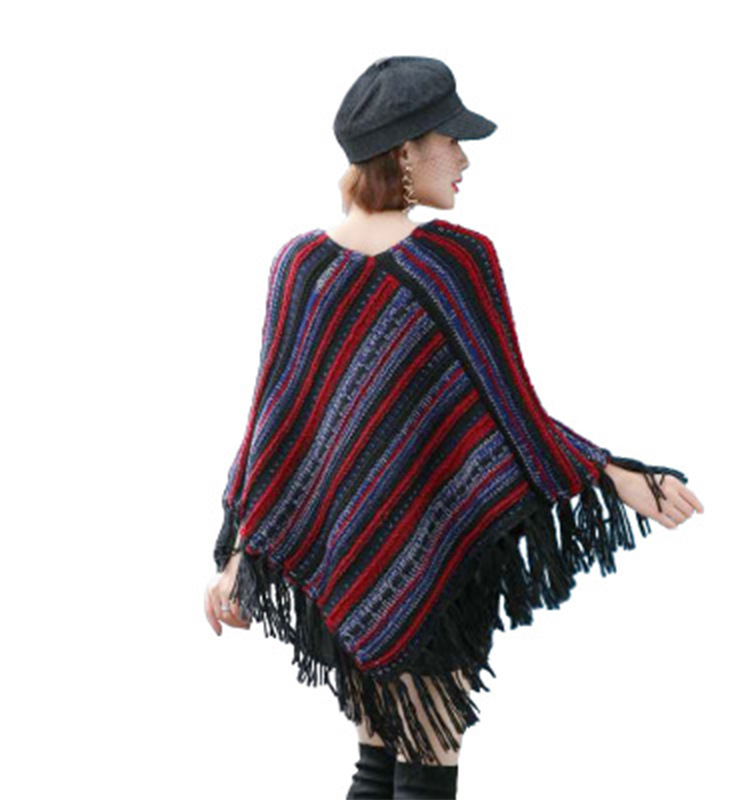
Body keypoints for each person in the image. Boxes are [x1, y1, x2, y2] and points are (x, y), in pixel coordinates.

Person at [204, 56, 704, 800]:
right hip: (422, 570)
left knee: (377, 768)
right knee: (419, 776)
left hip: (398, 548)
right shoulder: (432, 263)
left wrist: (616, 474)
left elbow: (506, 415)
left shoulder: (313, 266)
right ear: (406, 152)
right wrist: (241, 555)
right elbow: (280, 423)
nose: (465, 159)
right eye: (451, 140)